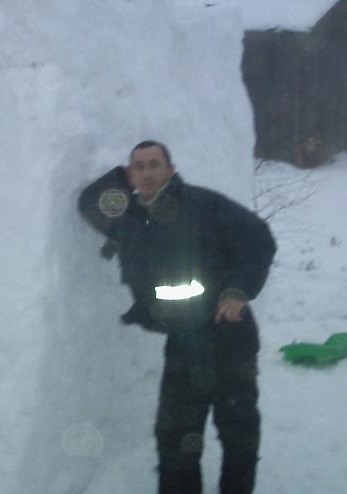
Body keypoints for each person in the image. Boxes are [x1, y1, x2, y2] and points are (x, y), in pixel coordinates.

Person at [78, 140, 277, 494]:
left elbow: (258, 238)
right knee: (175, 439)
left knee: (238, 433)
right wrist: (121, 180)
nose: (148, 173)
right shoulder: (129, 219)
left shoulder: (203, 205)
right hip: (184, 343)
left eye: (155, 164)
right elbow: (89, 203)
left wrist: (237, 290)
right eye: (139, 166)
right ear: (131, 175)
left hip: (227, 335)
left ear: (171, 170)